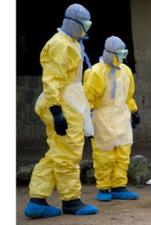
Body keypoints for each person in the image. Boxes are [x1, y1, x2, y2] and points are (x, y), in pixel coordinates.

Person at [24, 3, 98, 218]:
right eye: (84, 24)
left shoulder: (72, 42)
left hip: (69, 101)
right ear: (74, 23)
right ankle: (71, 200)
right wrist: (57, 110)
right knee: (68, 154)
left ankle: (37, 200)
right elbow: (52, 79)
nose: (87, 28)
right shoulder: (60, 44)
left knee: (56, 154)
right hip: (62, 103)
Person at [83, 36, 140, 202]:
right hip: (102, 118)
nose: (123, 57)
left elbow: (129, 95)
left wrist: (134, 111)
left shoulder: (126, 71)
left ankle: (119, 186)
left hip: (122, 117)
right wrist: (86, 124)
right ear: (110, 53)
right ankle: (104, 187)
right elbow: (88, 100)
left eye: (125, 53)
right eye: (120, 54)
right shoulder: (95, 72)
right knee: (104, 155)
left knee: (123, 153)